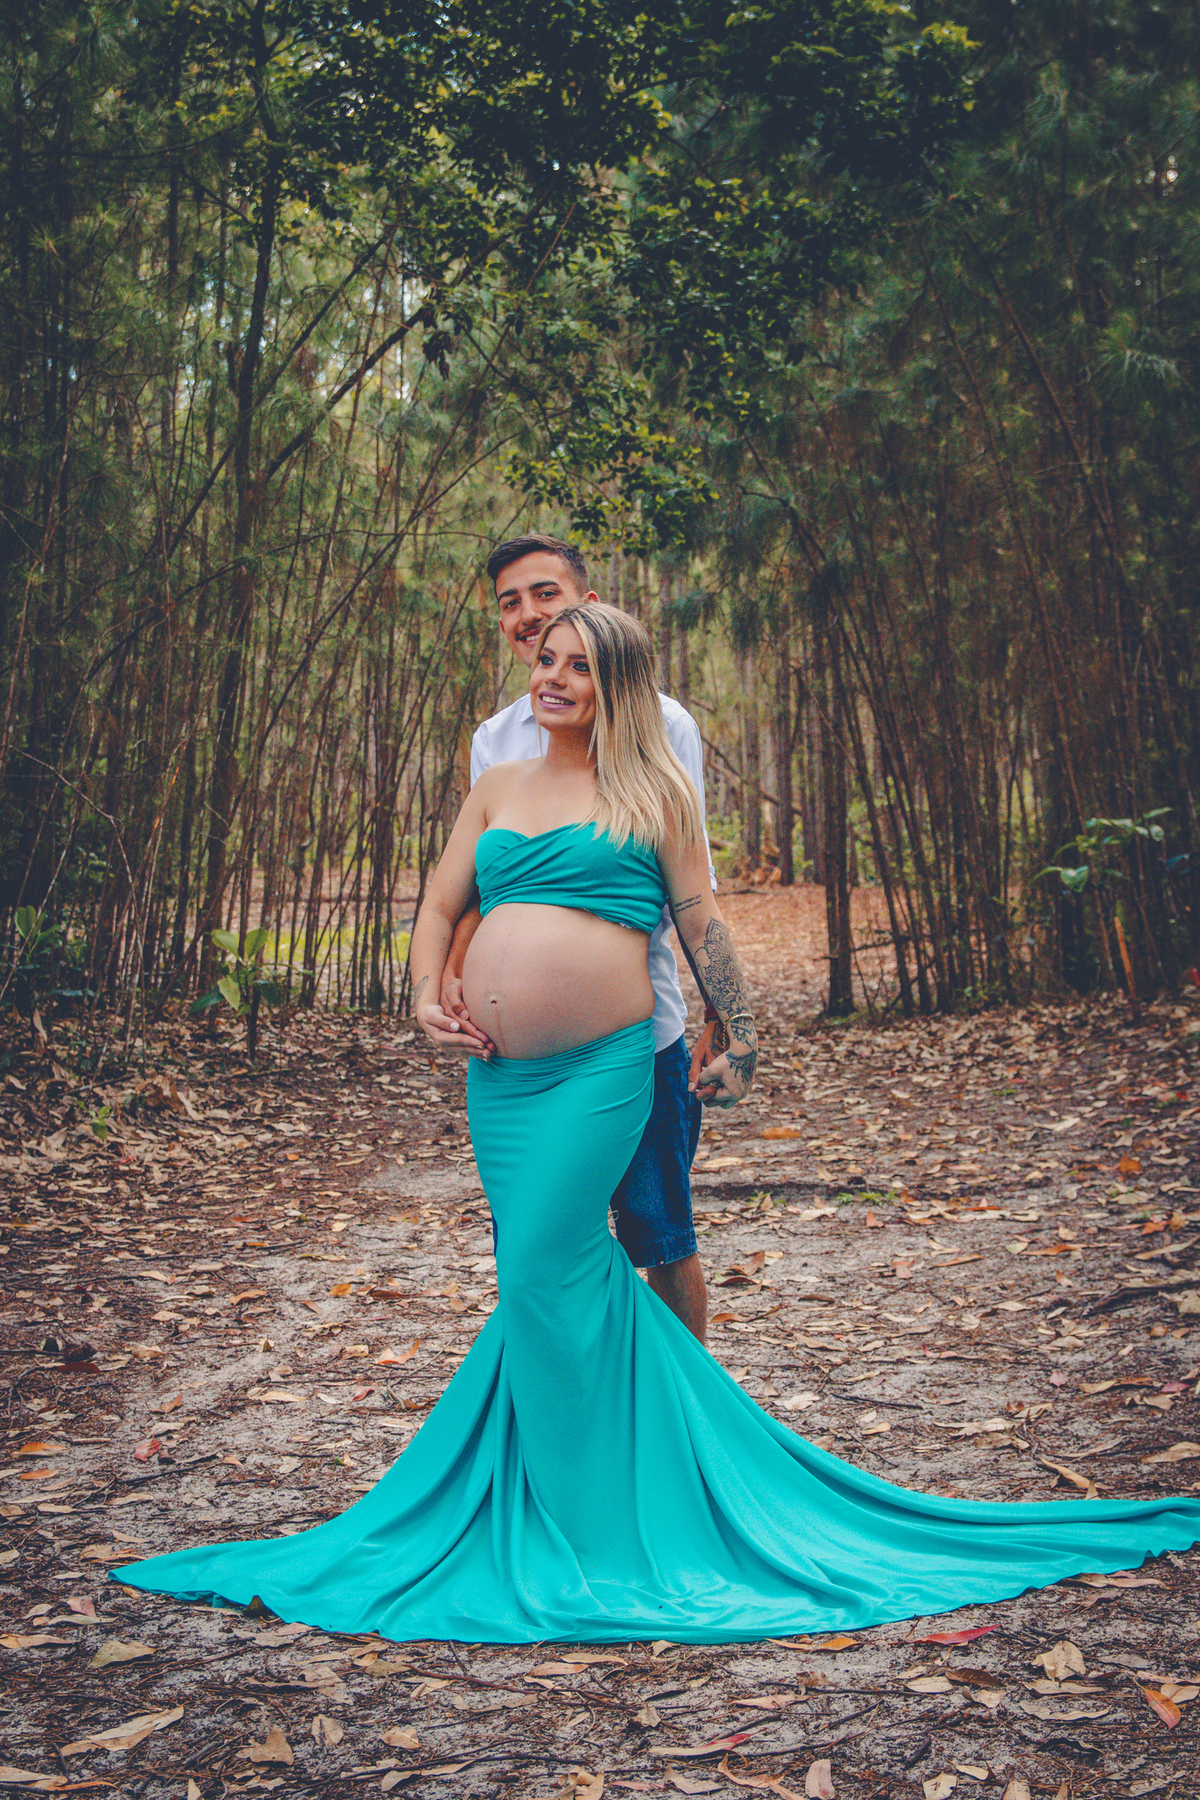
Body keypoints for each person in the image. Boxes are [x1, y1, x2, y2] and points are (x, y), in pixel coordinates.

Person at [114, 605, 1200, 1645]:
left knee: (546, 1260)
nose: (551, 676)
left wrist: (745, 1033)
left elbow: (703, 927)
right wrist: (420, 991)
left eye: (578, 664)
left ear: (618, 685)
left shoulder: (657, 796)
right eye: (545, 657)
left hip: (603, 1069)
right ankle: (593, 1478)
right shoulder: (494, 789)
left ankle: (597, 1517)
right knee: (546, 1271)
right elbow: (442, 906)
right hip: (498, 1085)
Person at [438, 533, 715, 1342]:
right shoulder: (496, 741)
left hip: (636, 1041)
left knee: (659, 1239)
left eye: (544, 594)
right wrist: (455, 978)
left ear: (589, 605)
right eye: (511, 603)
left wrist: (727, 1019)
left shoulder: (665, 728)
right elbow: (478, 889)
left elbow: (689, 894)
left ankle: (680, 1421)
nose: (528, 616)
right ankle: (568, 1422)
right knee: (535, 1251)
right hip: (509, 1065)